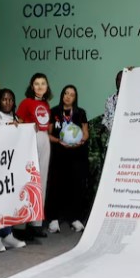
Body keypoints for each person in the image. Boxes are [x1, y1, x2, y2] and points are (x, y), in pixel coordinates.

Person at [0, 88, 26, 252]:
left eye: (11, 100)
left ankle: (7, 234)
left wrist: (21, 128)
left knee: (8, 201)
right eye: (4, 99)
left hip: (10, 167)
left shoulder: (17, 118)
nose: (8, 103)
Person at [46, 85, 89, 233]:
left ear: (75, 97)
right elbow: (48, 134)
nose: (68, 96)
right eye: (66, 93)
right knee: (56, 186)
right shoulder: (54, 112)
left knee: (75, 187)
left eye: (72, 94)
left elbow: (85, 133)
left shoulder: (80, 113)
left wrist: (80, 141)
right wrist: (59, 141)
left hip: (76, 156)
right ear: (62, 95)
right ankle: (53, 219)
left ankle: (74, 218)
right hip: (58, 155)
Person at [16, 73, 52, 239]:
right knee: (27, 180)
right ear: (31, 86)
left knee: (41, 180)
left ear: (47, 86)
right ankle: (20, 224)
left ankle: (36, 223)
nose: (39, 86)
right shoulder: (26, 103)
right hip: (30, 140)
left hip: (44, 139)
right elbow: (19, 123)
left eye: (43, 83)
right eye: (36, 83)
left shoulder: (45, 103)